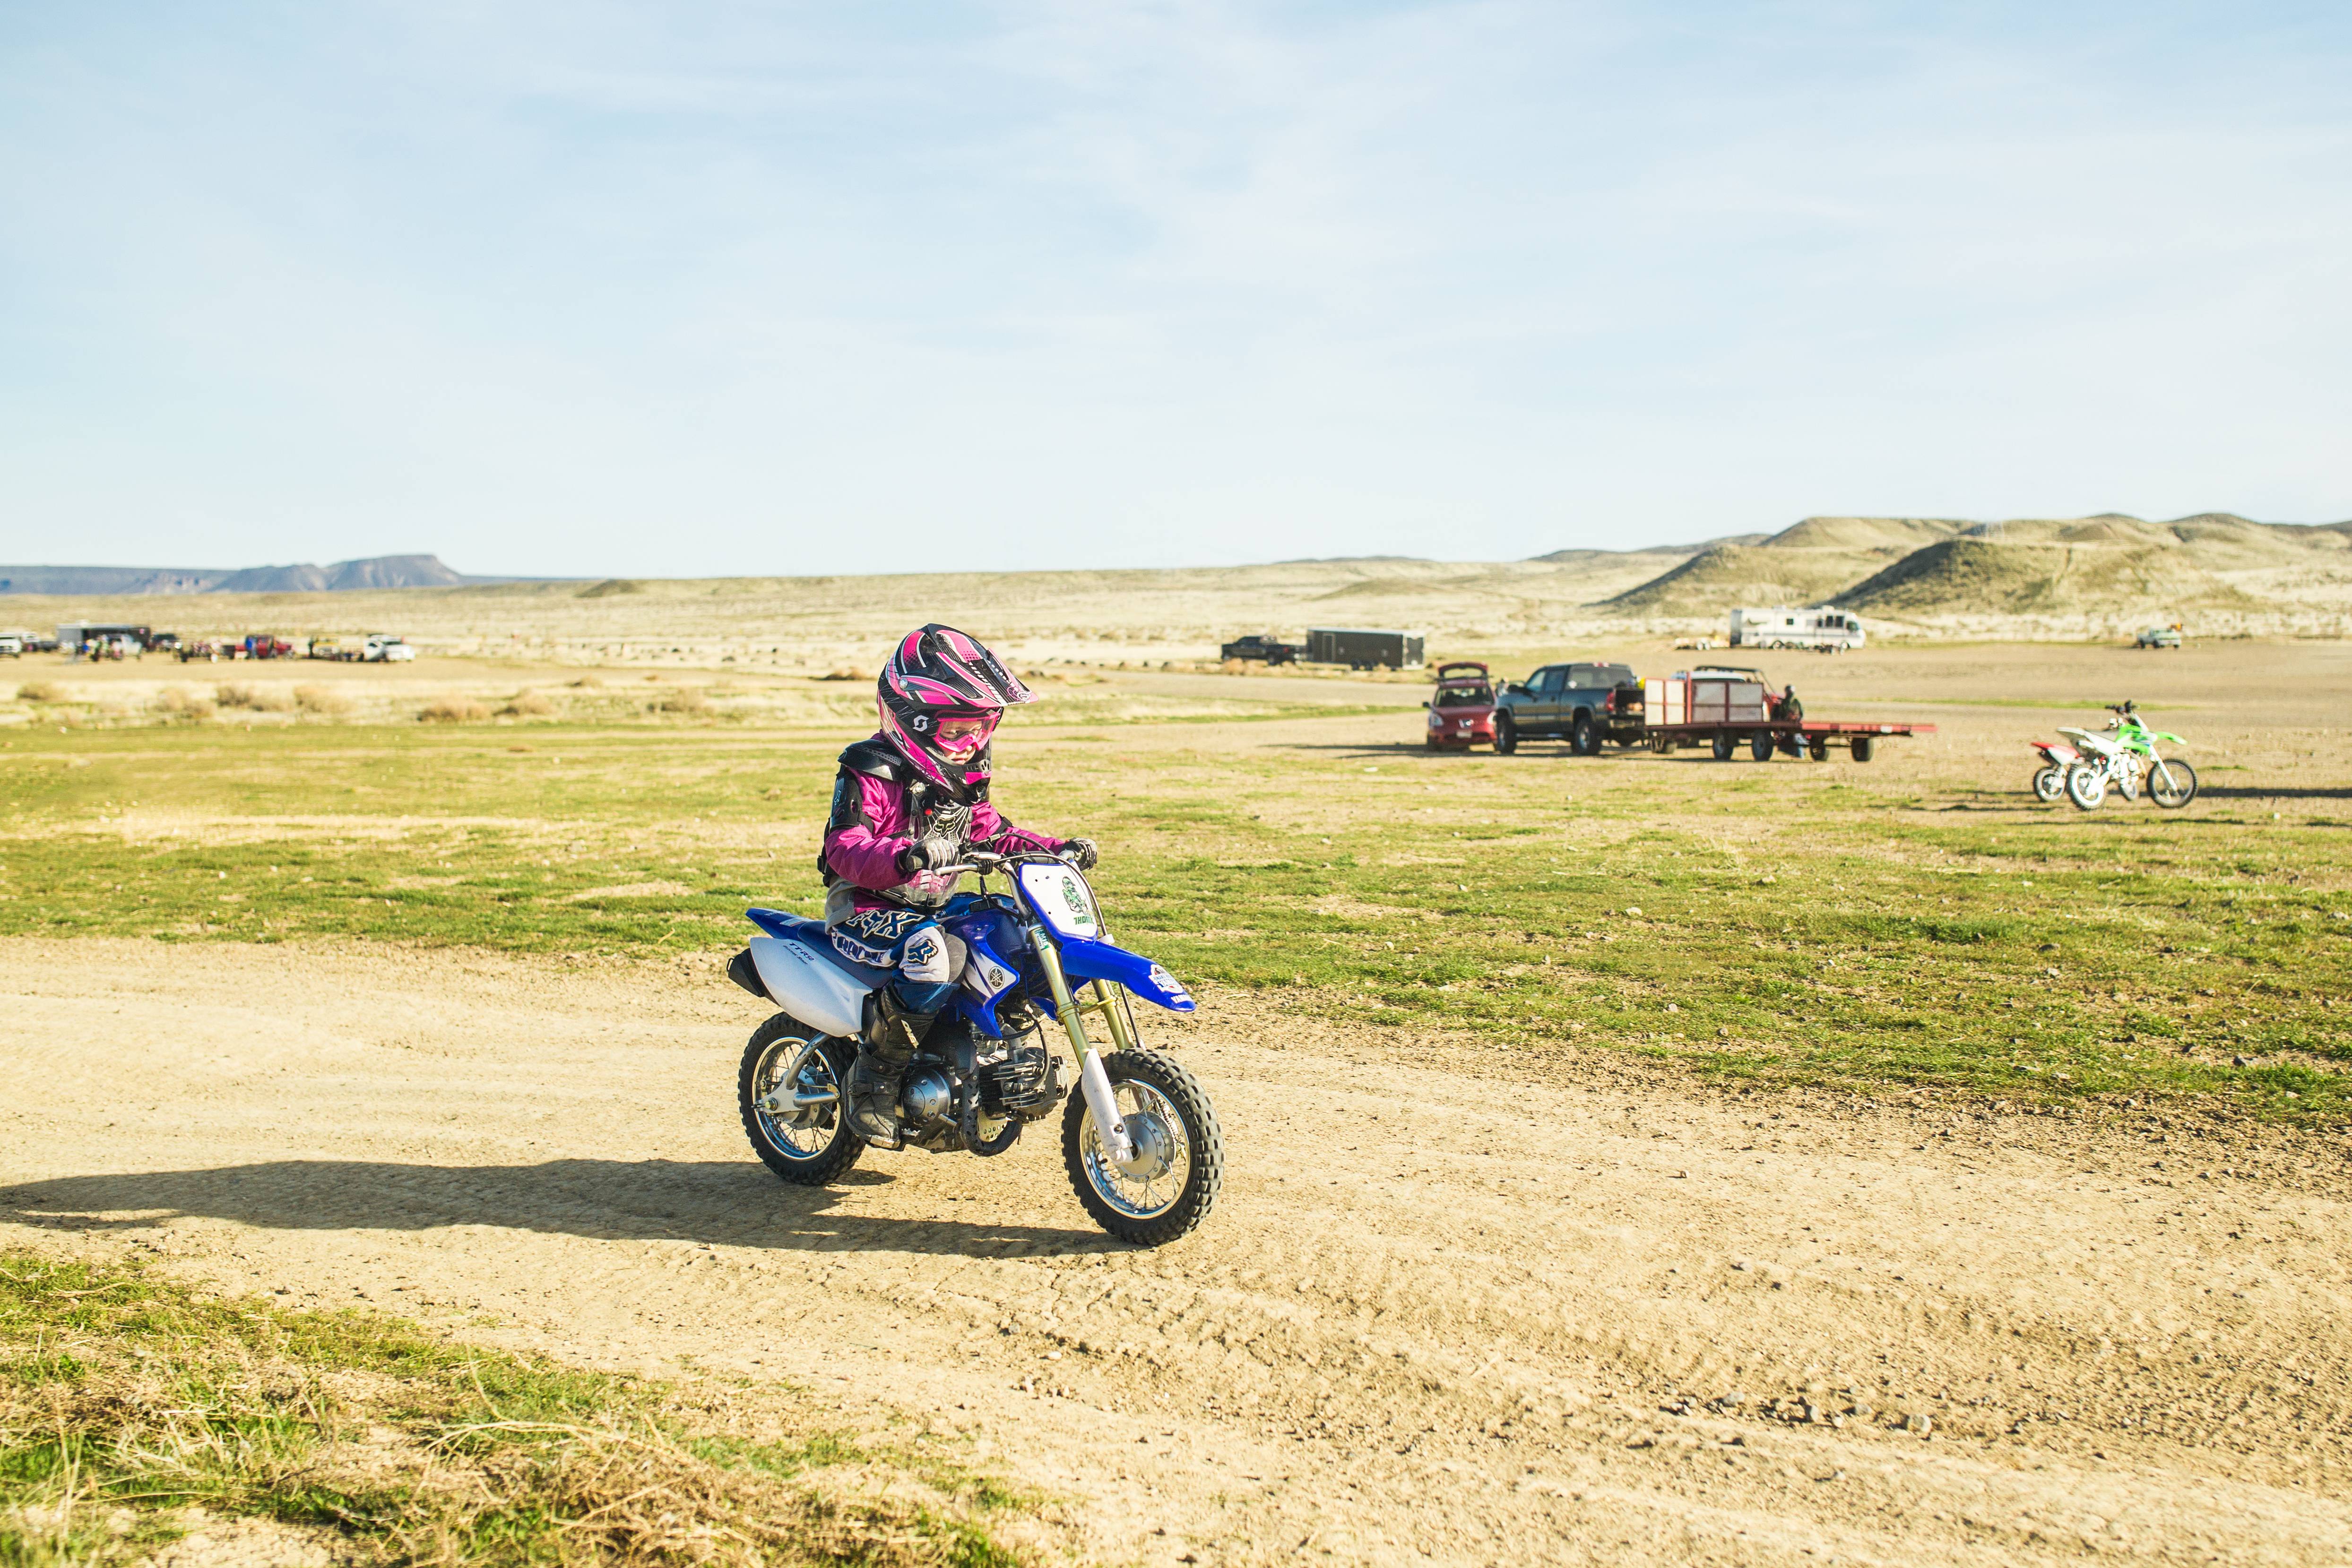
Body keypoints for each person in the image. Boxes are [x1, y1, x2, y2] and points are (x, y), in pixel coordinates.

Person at [819, 625, 1095, 1145]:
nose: (969, 745)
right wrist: (906, 855)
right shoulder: (869, 768)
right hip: (864, 905)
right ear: (909, 721)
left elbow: (993, 830)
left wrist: (1052, 849)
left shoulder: (964, 777)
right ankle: (873, 1082)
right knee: (932, 953)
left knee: (1012, 934)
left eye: (981, 730)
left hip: (932, 904)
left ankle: (996, 1054)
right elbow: (844, 847)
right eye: (955, 733)